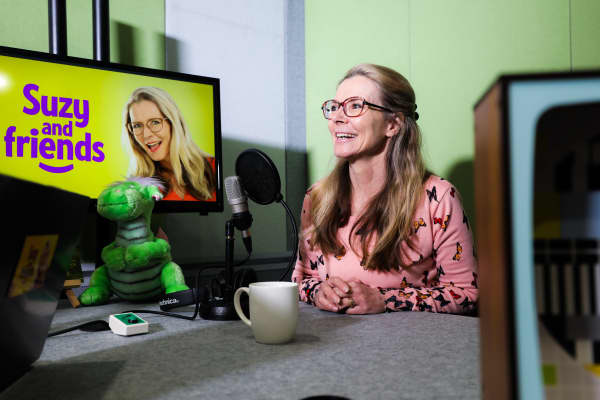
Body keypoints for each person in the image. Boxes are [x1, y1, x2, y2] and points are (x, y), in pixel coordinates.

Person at [291, 64, 478, 315]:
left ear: (393, 124)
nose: (337, 117)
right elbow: (301, 280)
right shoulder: (316, 198)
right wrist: (319, 291)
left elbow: (466, 293)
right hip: (334, 344)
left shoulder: (439, 197)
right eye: (334, 106)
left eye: (355, 106)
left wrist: (384, 300)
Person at [122, 86, 216, 201]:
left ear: (173, 123)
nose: (146, 135)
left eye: (155, 122)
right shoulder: (137, 187)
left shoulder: (213, 167)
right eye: (137, 125)